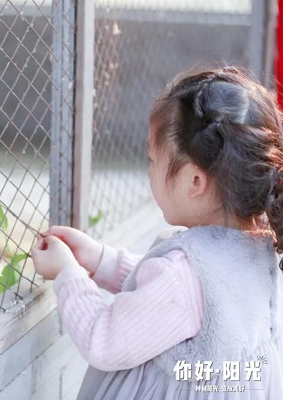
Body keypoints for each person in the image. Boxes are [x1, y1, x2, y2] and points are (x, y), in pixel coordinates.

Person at [31, 66, 283, 399]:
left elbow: (104, 340)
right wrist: (103, 261)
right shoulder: (258, 243)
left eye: (153, 159)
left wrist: (68, 274)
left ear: (195, 180)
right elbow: (178, 305)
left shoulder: (181, 275)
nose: (149, 170)